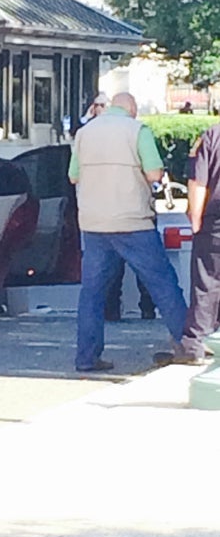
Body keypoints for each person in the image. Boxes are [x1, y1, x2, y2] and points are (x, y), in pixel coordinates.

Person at [68, 92, 188, 371]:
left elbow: (73, 176)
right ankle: (187, 343)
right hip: (133, 222)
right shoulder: (138, 130)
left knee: (92, 294)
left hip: (94, 224)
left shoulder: (84, 134)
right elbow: (155, 174)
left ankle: (86, 357)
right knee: (163, 283)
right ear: (132, 110)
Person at [176, 122, 220, 363]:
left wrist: (195, 218)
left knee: (207, 283)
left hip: (215, 222)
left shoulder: (211, 137)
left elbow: (198, 182)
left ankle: (196, 345)